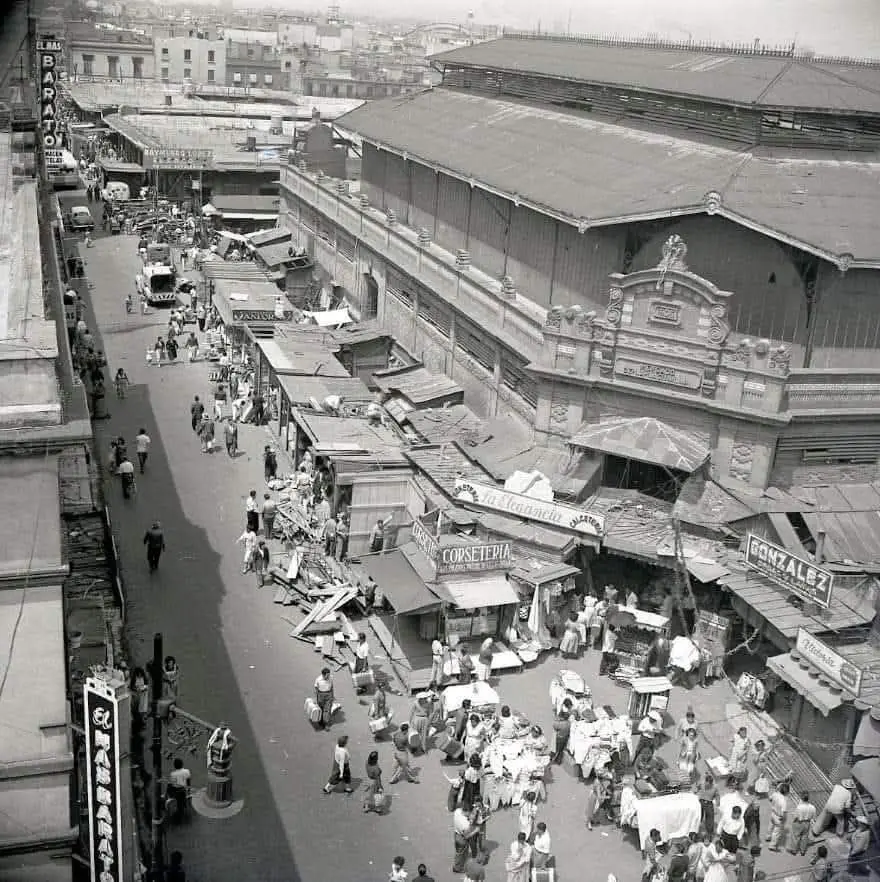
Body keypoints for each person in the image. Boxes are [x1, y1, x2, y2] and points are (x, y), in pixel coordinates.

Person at [790, 790, 817, 856]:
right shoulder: (812, 807)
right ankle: (803, 851)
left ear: (801, 798)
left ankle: (794, 850)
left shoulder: (799, 807)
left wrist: (793, 822)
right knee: (805, 837)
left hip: (799, 823)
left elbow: (795, 817)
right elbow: (814, 818)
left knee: (796, 836)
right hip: (807, 823)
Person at [453, 805, 478, 874]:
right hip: (462, 839)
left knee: (458, 852)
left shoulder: (457, 811)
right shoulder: (465, 824)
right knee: (461, 854)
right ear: (467, 812)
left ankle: (458, 865)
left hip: (456, 834)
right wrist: (475, 831)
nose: (472, 814)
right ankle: (458, 868)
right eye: (471, 813)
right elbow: (466, 836)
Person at [766, 780, 789, 851]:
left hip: (773, 813)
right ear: (786, 792)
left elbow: (770, 799)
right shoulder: (783, 801)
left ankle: (768, 836)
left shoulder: (775, 794)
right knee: (776, 832)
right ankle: (772, 845)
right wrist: (784, 818)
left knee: (770, 826)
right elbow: (783, 813)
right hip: (778, 818)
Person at [167, 758, 191, 822]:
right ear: (182, 764)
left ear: (174, 766)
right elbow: (188, 782)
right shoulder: (187, 771)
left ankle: (166, 798)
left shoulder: (173, 774)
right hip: (184, 790)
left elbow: (172, 784)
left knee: (169, 785)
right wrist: (188, 790)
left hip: (176, 792)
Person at [699, 773, 719, 838]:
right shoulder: (702, 784)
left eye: (709, 784)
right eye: (706, 782)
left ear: (711, 783)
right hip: (701, 801)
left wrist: (718, 801)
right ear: (705, 781)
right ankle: (696, 827)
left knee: (710, 816)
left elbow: (717, 795)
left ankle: (710, 832)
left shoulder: (715, 787)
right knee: (699, 815)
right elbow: (697, 787)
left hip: (709, 802)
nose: (707, 785)